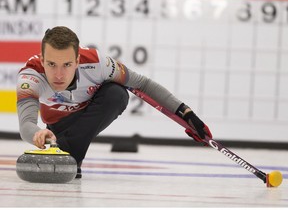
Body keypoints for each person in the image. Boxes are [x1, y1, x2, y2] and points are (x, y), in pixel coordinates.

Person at [16, 26, 212, 178]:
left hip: (88, 116)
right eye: (51, 64)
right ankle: (67, 150)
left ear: (77, 61)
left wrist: (186, 114)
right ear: (42, 61)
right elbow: (26, 125)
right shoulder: (30, 76)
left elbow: (142, 84)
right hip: (58, 126)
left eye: (67, 65)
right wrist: (39, 134)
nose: (59, 74)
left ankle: (68, 153)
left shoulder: (98, 63)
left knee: (117, 94)